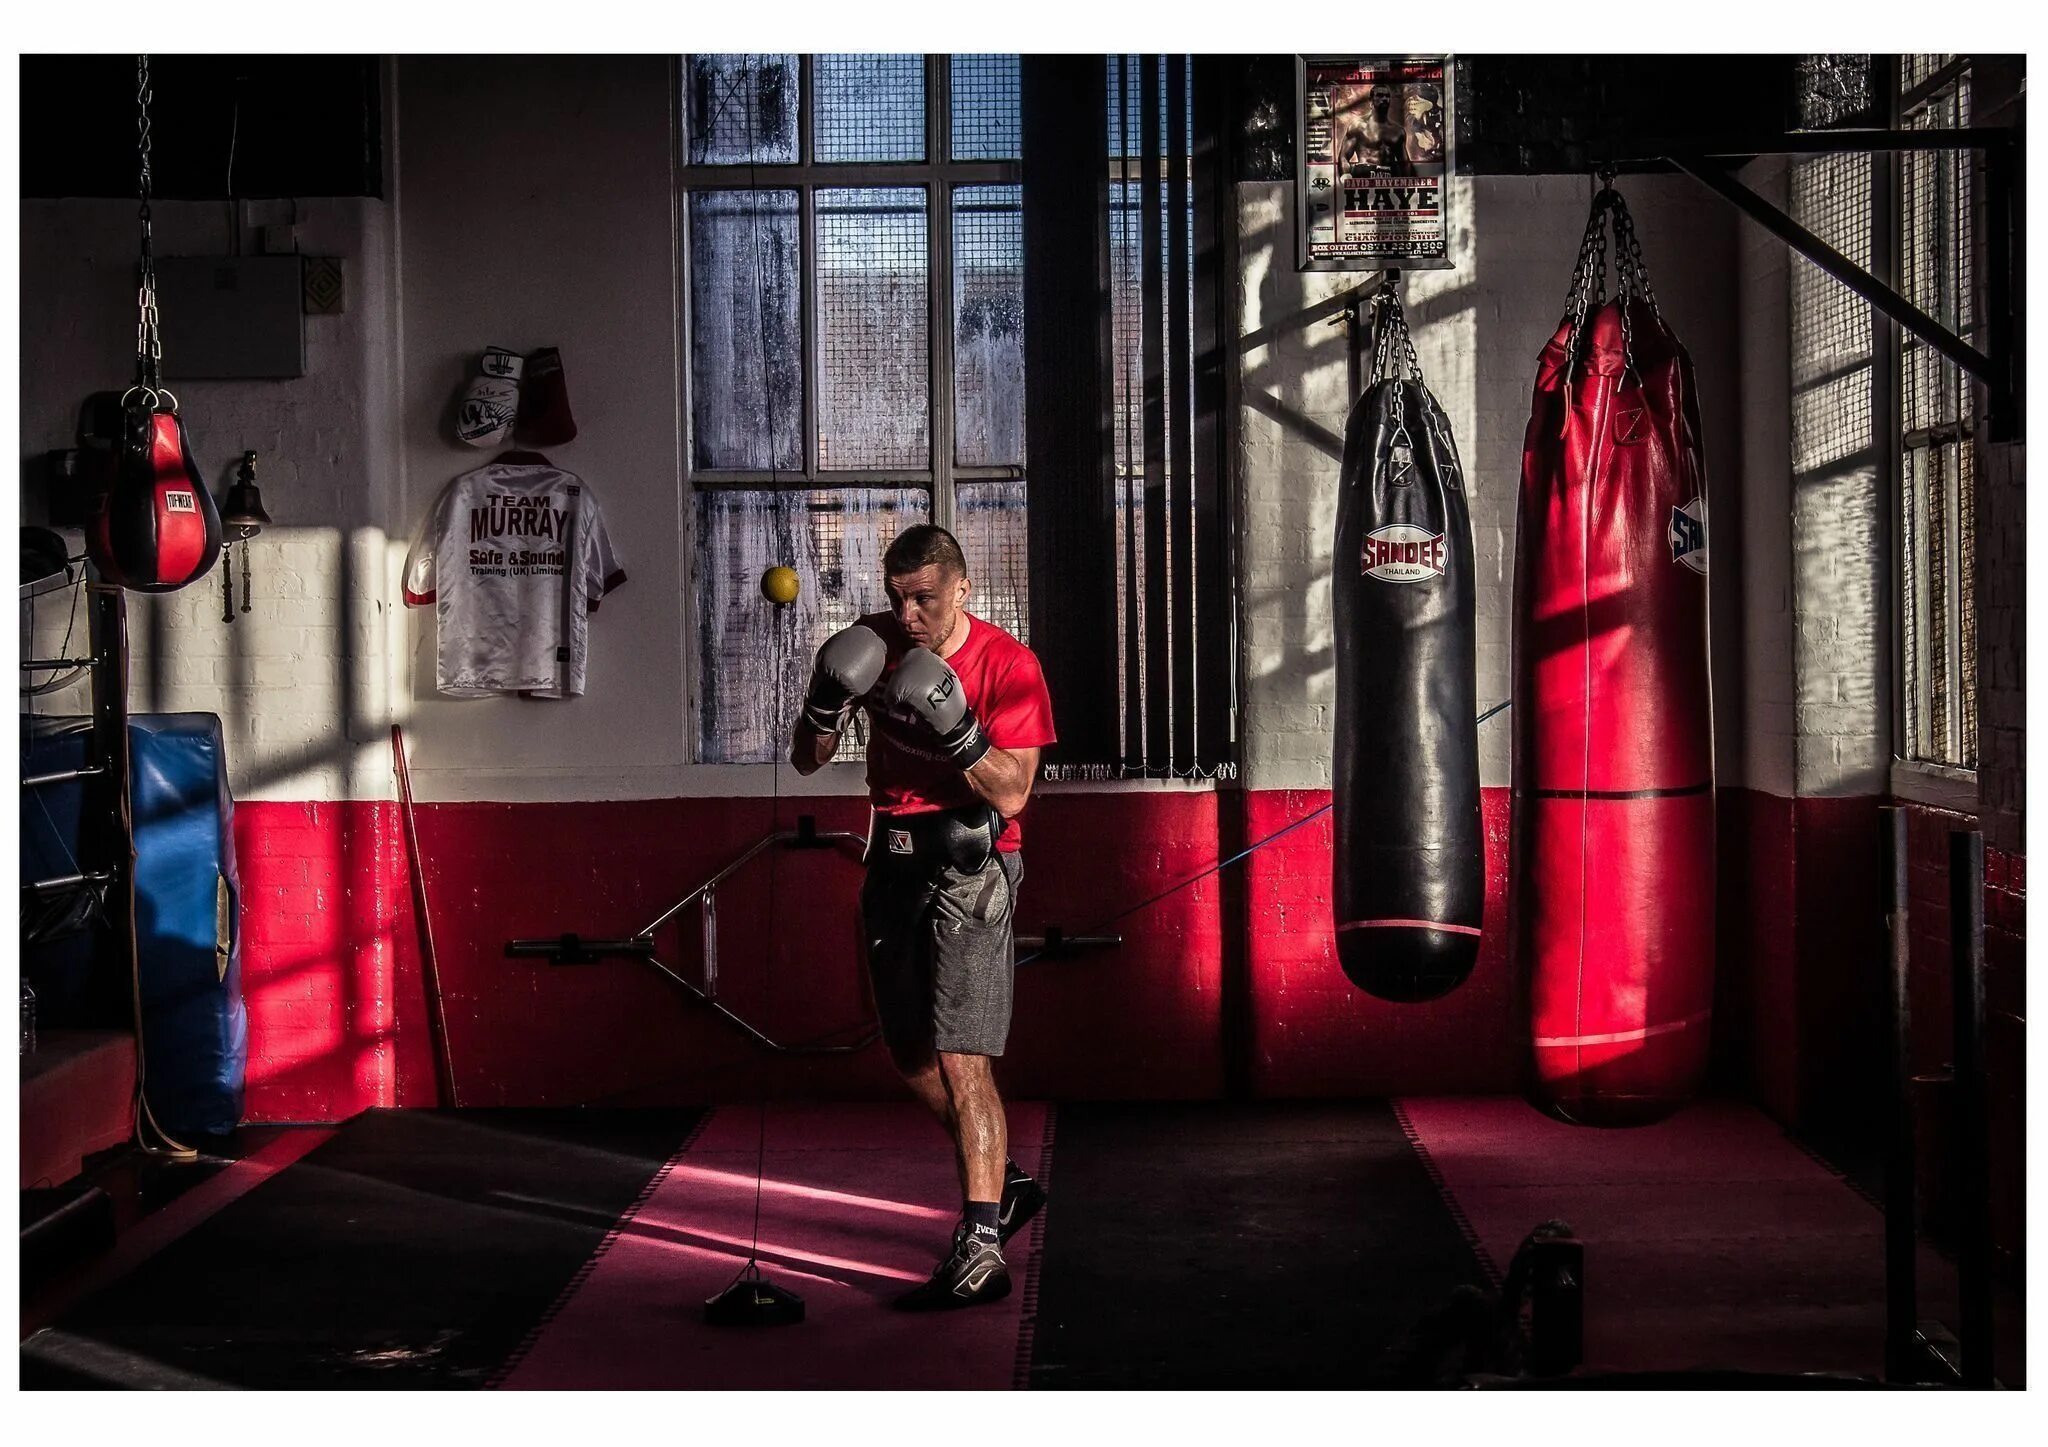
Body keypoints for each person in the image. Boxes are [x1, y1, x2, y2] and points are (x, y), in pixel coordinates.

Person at [791, 524, 1057, 1310]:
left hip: (973, 867)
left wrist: (959, 726)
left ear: (963, 588)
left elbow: (1011, 792)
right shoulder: (870, 645)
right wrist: (825, 697)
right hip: (895, 861)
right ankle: (1001, 1184)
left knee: (962, 1055)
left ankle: (979, 1243)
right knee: (910, 1056)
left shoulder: (1011, 665)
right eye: (898, 596)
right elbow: (809, 757)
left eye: (925, 597)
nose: (909, 614)